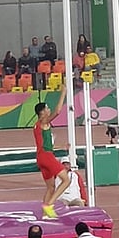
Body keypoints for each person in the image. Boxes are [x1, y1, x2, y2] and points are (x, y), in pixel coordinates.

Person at [33, 84, 70, 218]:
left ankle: (45, 215)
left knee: (51, 187)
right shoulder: (43, 121)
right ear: (42, 112)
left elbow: (47, 145)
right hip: (46, 157)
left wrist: (62, 148)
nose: (49, 109)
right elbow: (58, 111)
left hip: (42, 157)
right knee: (66, 180)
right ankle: (50, 205)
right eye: (47, 108)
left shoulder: (38, 125)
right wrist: (63, 92)